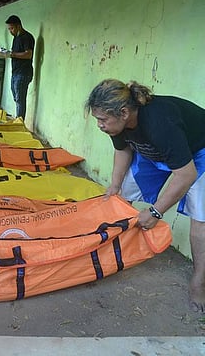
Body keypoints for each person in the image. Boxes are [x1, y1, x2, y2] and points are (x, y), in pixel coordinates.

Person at [85, 79, 205, 312]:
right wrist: (115, 185)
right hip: (156, 152)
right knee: (119, 200)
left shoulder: (160, 123)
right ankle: (110, 251)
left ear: (123, 112)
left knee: (200, 217)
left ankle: (199, 283)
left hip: (199, 151)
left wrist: (155, 212)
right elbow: (122, 150)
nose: (99, 125)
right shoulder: (118, 123)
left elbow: (186, 174)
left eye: (102, 120)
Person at [5, 15, 35, 119]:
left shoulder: (27, 37)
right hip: (15, 72)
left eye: (12, 28)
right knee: (17, 98)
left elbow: (28, 54)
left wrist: (12, 54)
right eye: (9, 29)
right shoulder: (16, 38)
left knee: (20, 99)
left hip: (24, 73)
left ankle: (19, 123)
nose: (10, 31)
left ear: (19, 26)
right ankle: (19, 120)